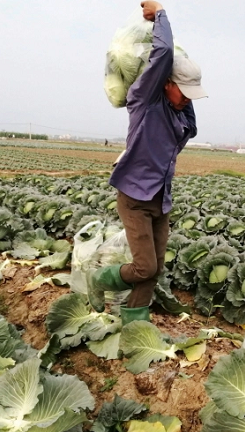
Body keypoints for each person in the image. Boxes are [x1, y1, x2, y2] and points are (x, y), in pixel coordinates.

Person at [88, 1, 207, 325]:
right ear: (165, 82)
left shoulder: (177, 113)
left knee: (155, 267)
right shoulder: (146, 101)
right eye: (183, 91)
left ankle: (134, 323)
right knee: (145, 267)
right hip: (135, 198)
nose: (187, 98)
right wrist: (161, 15)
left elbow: (192, 127)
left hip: (160, 199)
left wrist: (187, 98)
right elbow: (164, 53)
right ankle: (99, 280)